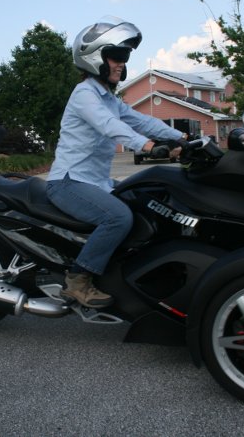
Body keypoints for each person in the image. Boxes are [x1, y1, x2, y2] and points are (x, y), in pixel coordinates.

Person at [46, 17, 188, 308]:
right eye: (117, 57)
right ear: (95, 59)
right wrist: (147, 146)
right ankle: (78, 279)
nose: (122, 63)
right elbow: (109, 126)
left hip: (94, 181)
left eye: (125, 57)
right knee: (117, 217)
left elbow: (141, 120)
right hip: (68, 182)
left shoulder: (109, 98)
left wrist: (183, 138)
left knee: (147, 198)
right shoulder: (84, 95)